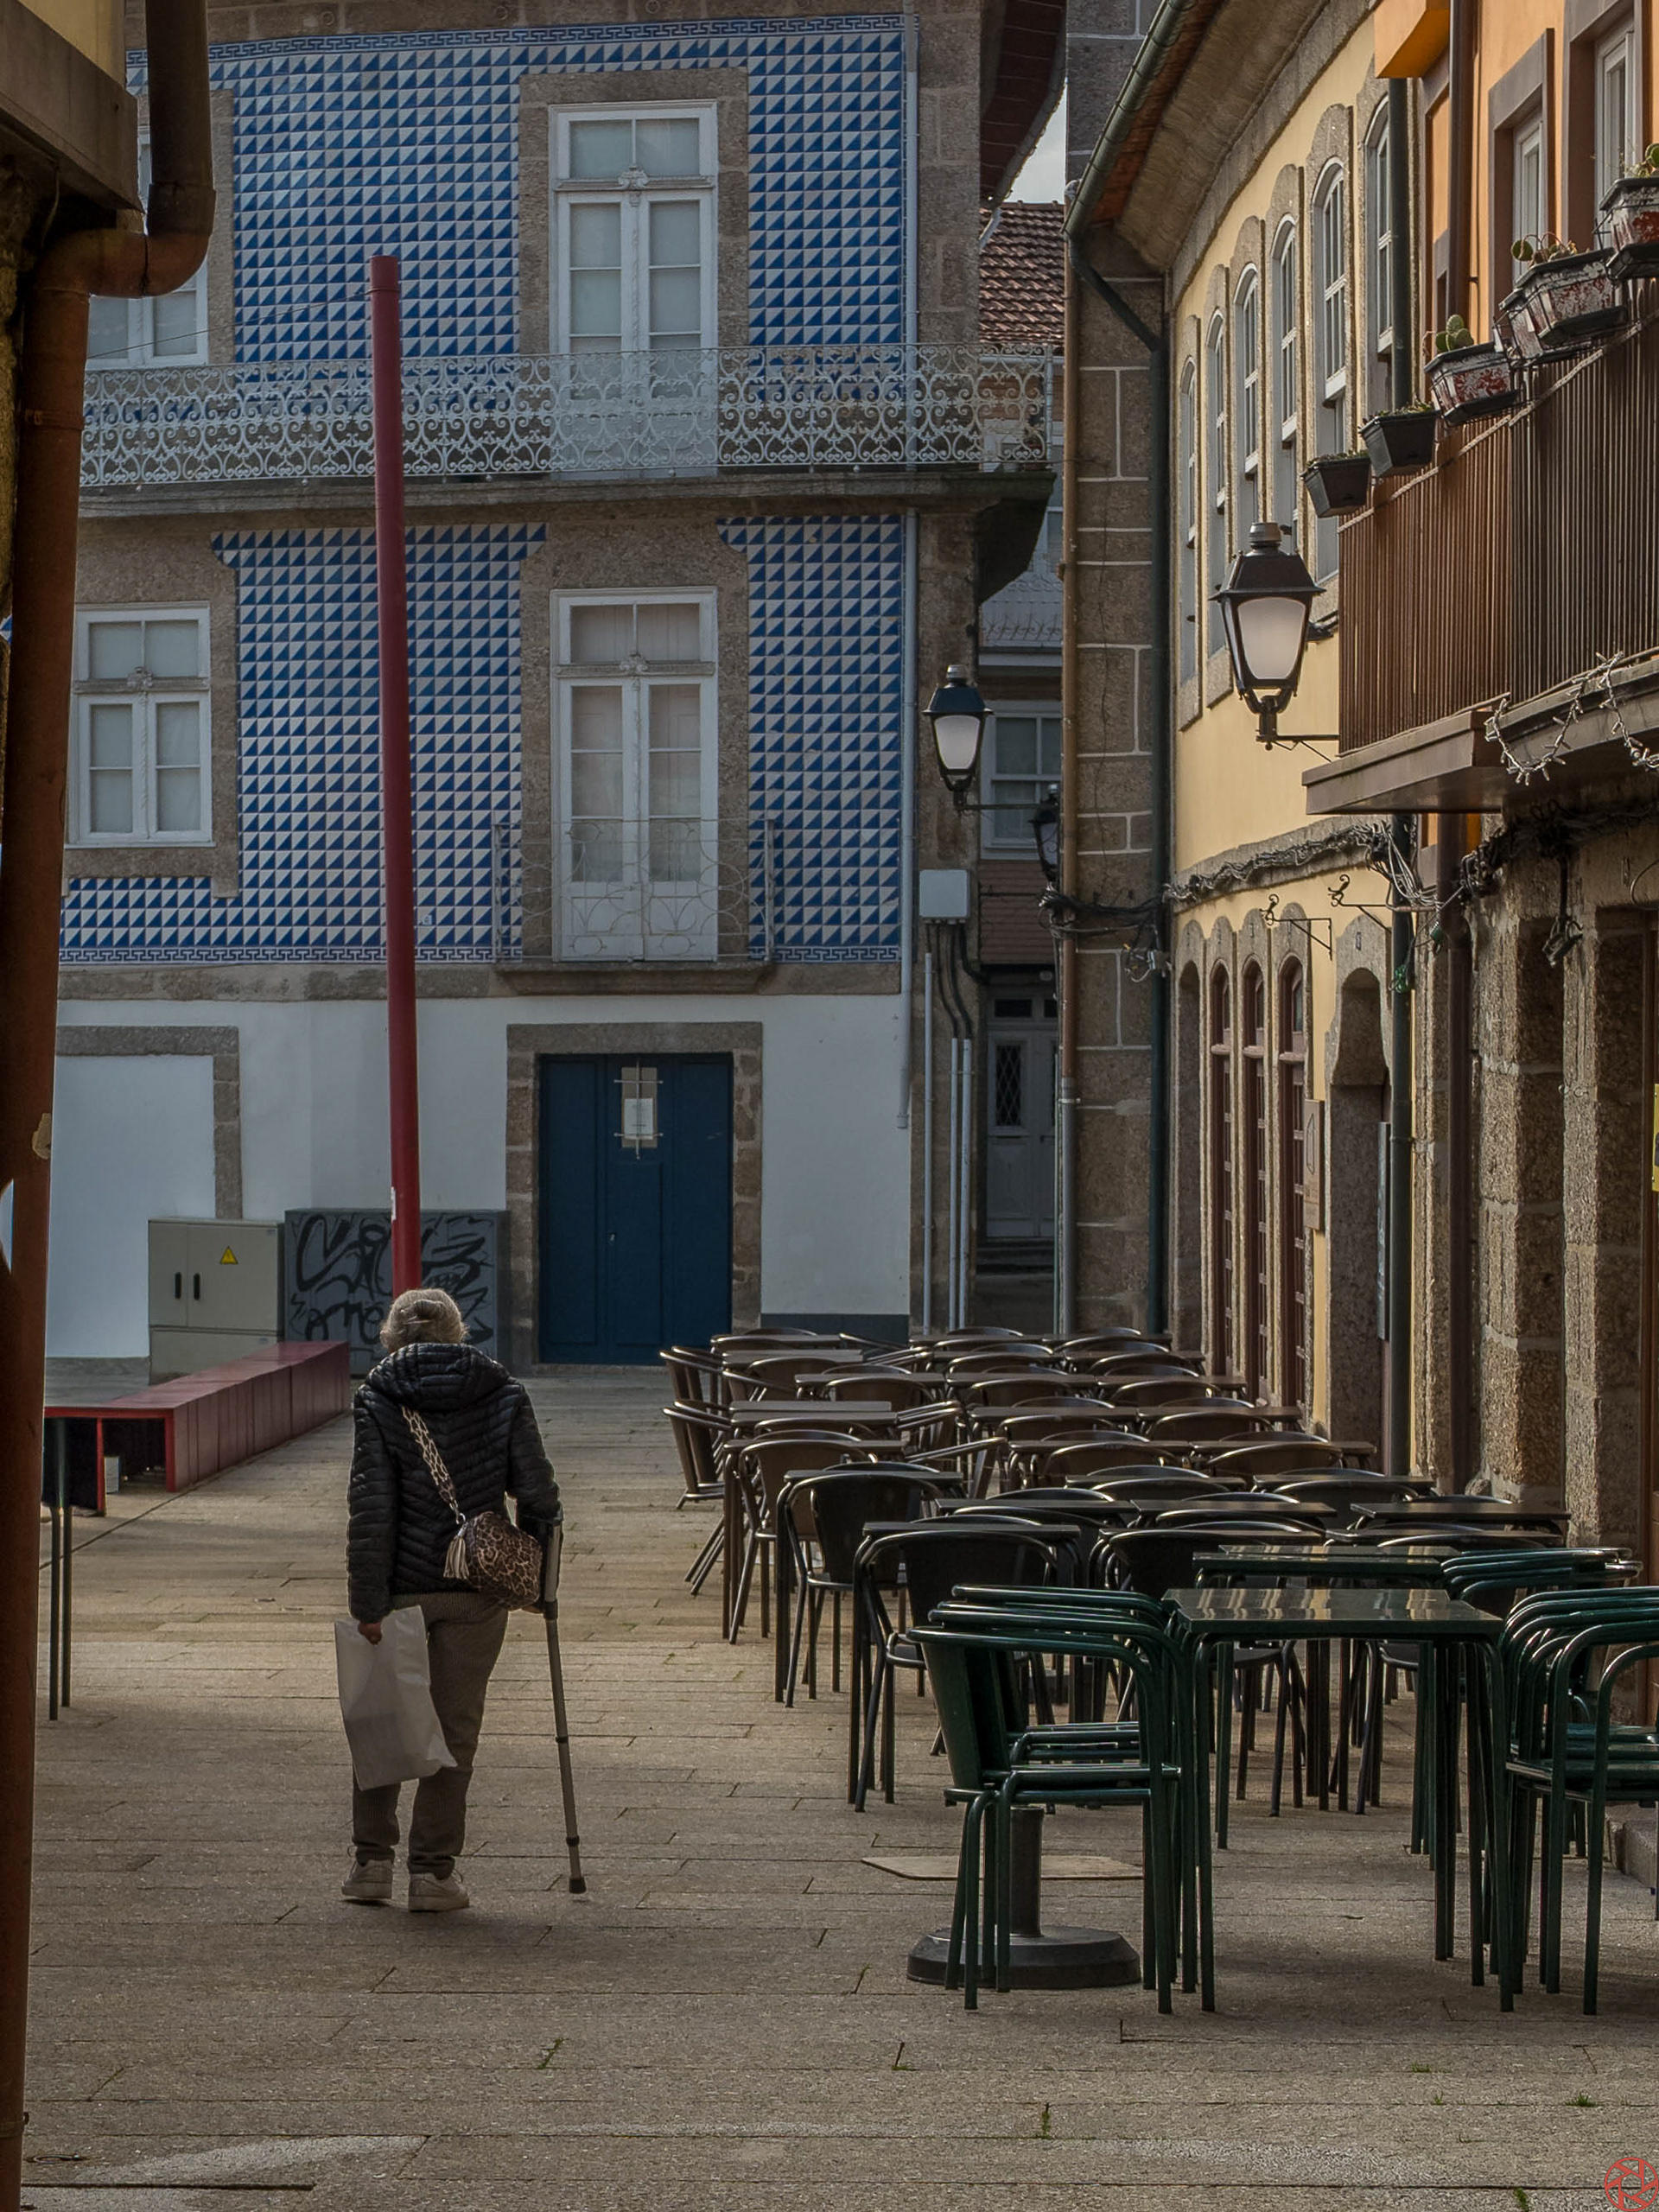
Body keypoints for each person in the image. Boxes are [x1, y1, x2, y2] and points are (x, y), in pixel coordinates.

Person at [342, 1286, 561, 1911]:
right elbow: (540, 1498)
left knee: (382, 1724)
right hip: (475, 1590)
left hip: (400, 1590)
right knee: (455, 1733)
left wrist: (367, 1605)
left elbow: (372, 1508)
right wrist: (540, 1585)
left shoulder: (378, 1397)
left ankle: (371, 1865)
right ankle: (433, 1875)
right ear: (458, 1331)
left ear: (391, 1337)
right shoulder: (503, 1392)